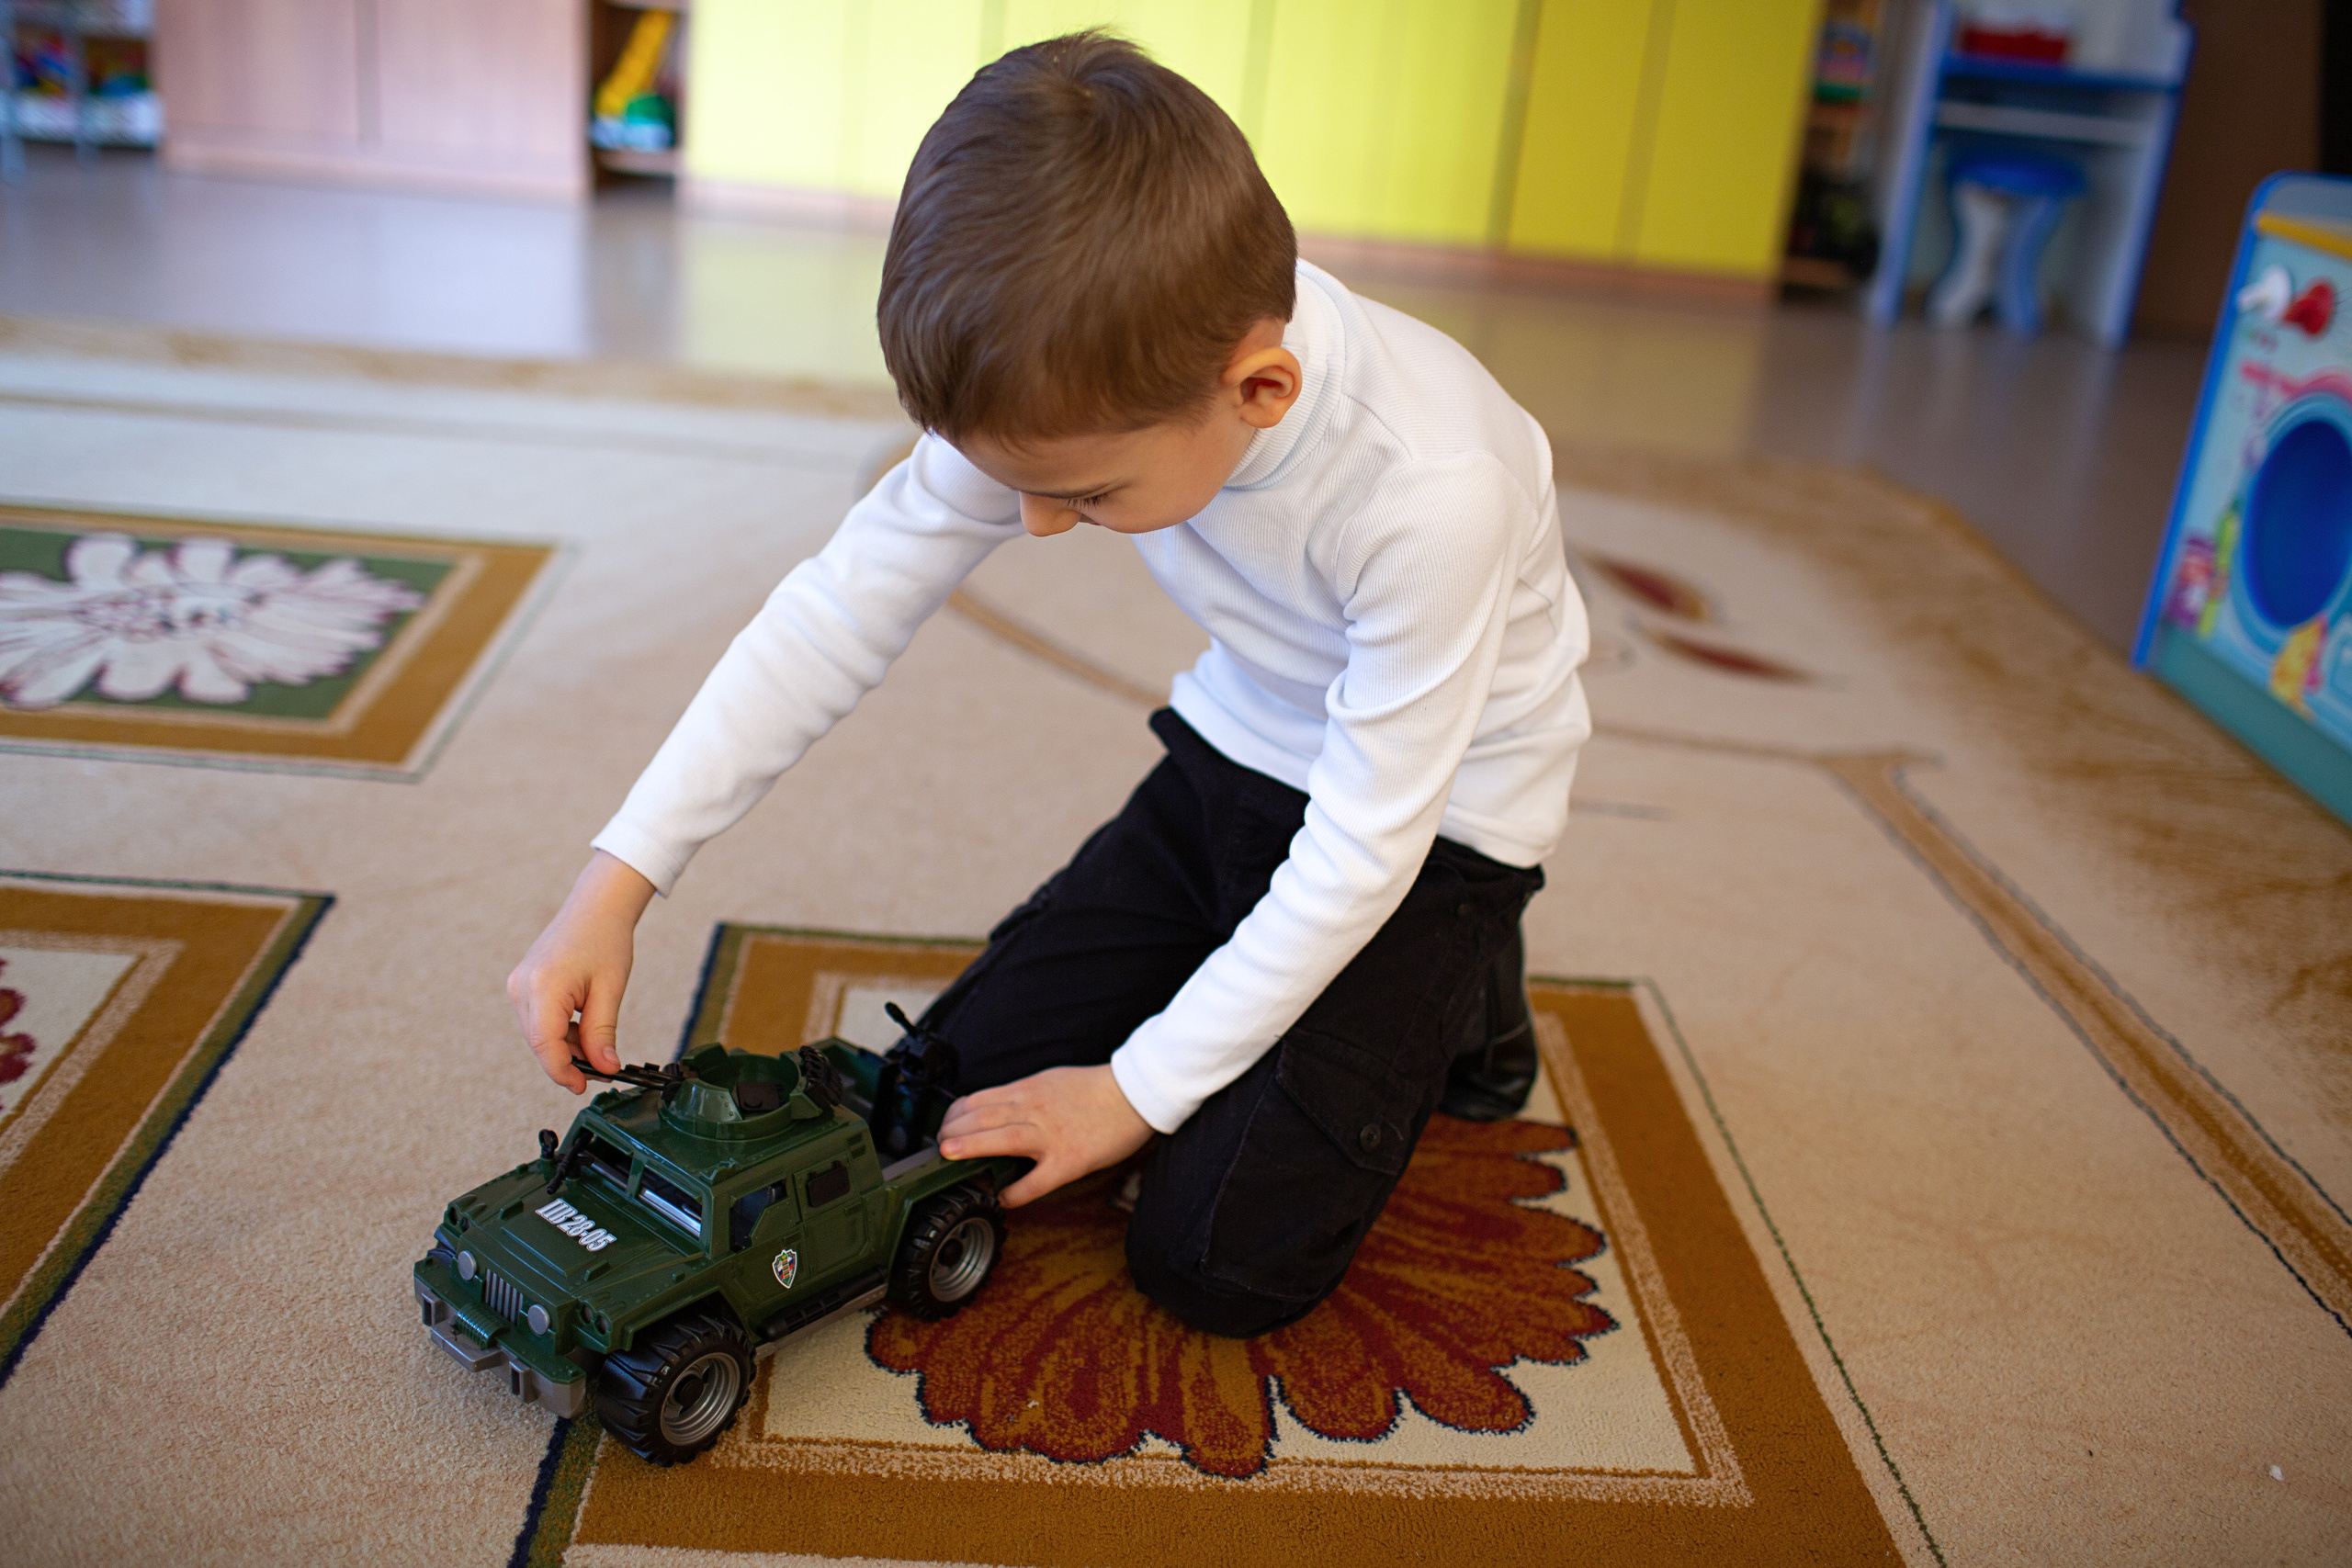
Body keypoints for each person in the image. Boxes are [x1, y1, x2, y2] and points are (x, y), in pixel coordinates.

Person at [508, 31, 1590, 1339]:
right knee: (940, 1104)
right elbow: (839, 609)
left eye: (1080, 492)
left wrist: (1131, 1096)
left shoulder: (1433, 493)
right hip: (1240, 750)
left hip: (1440, 825)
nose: (1032, 523)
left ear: (1260, 388)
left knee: (1213, 1264)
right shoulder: (1076, 363)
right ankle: (1396, 993)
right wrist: (618, 875)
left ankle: (1468, 999)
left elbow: (1369, 843)